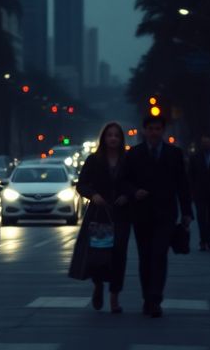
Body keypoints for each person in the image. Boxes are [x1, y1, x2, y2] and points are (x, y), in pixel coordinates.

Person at [126, 114, 193, 318]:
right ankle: (147, 297)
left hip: (166, 214)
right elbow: (124, 181)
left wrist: (187, 212)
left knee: (159, 255)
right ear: (144, 130)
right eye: (150, 129)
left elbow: (183, 184)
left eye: (157, 129)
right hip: (141, 214)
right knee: (145, 257)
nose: (154, 133)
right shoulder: (134, 154)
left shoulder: (174, 154)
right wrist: (134, 191)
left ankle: (156, 298)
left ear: (163, 131)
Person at [69, 122, 133, 313]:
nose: (113, 138)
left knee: (119, 256)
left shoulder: (128, 160)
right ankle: (98, 285)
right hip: (100, 215)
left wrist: (127, 196)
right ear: (103, 138)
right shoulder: (94, 160)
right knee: (99, 254)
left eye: (116, 135)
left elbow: (134, 183)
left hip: (121, 215)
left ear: (121, 139)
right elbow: (81, 185)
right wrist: (93, 195)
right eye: (109, 135)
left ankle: (114, 297)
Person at [188, 135, 210, 251]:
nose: (206, 145)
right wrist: (192, 191)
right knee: (201, 216)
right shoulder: (195, 158)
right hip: (199, 193)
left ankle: (207, 238)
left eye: (208, 143)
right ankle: (204, 240)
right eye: (204, 143)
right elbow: (190, 176)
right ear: (201, 145)